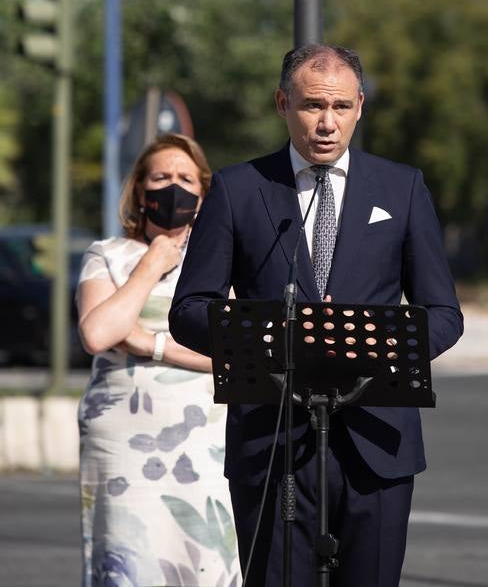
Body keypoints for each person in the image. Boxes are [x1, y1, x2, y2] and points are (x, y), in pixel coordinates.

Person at [169, 45, 463, 587]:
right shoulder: (238, 189)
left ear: (360, 108)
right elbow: (189, 311)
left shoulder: (403, 188)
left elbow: (443, 313)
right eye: (311, 106)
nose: (327, 123)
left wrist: (377, 345)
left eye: (341, 107)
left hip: (378, 443)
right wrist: (270, 337)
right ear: (283, 103)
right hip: (272, 441)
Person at [76, 133, 241, 587]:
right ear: (140, 191)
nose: (174, 187)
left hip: (206, 438)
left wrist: (148, 342)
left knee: (206, 558)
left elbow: (236, 357)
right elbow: (97, 333)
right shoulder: (108, 255)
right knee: (131, 564)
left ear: (204, 194)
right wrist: (152, 263)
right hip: (124, 444)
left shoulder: (223, 265)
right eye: (161, 177)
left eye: (186, 178)